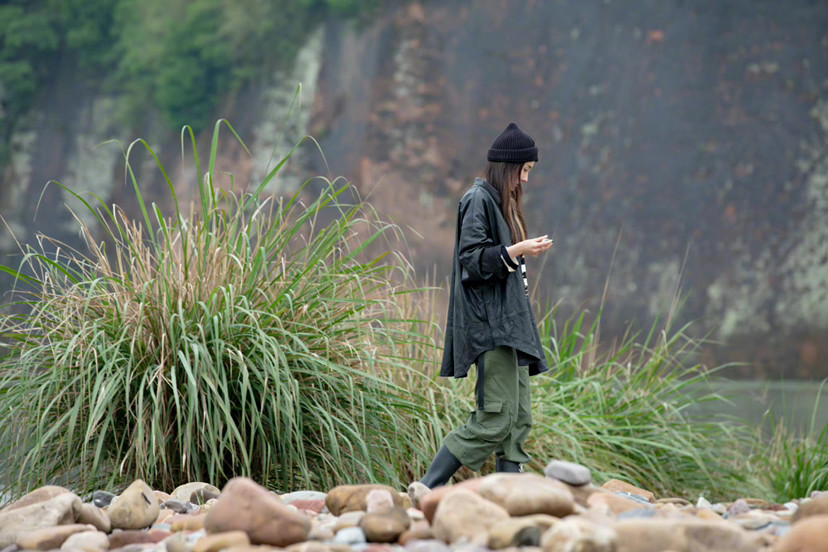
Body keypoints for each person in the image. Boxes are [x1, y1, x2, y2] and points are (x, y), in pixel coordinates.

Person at [419, 122, 552, 488]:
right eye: (524, 171)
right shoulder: (478, 200)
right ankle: (425, 489)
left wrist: (519, 250)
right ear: (508, 167)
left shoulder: (497, 202)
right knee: (496, 417)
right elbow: (473, 260)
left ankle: (507, 497)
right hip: (491, 328)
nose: (525, 180)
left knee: (518, 418)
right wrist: (518, 250)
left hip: (509, 327)